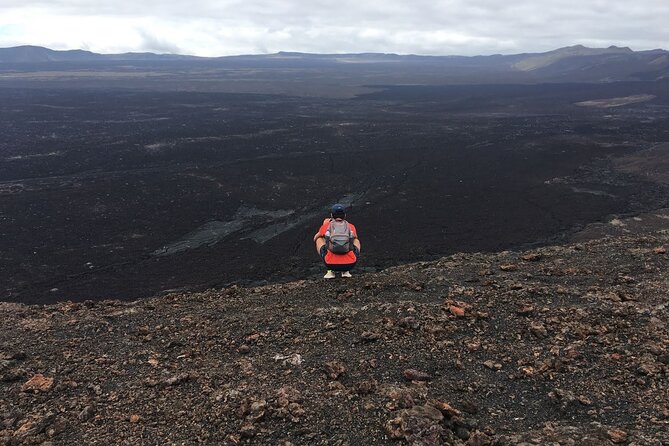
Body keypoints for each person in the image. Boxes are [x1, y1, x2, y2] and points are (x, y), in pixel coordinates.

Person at [313, 203, 361, 278]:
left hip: (330, 264)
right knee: (356, 240)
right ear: (345, 215)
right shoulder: (350, 226)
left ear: (332, 215)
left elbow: (315, 238)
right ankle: (345, 272)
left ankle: (330, 271)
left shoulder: (327, 226)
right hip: (350, 264)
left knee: (319, 239)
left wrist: (324, 226)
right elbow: (355, 238)